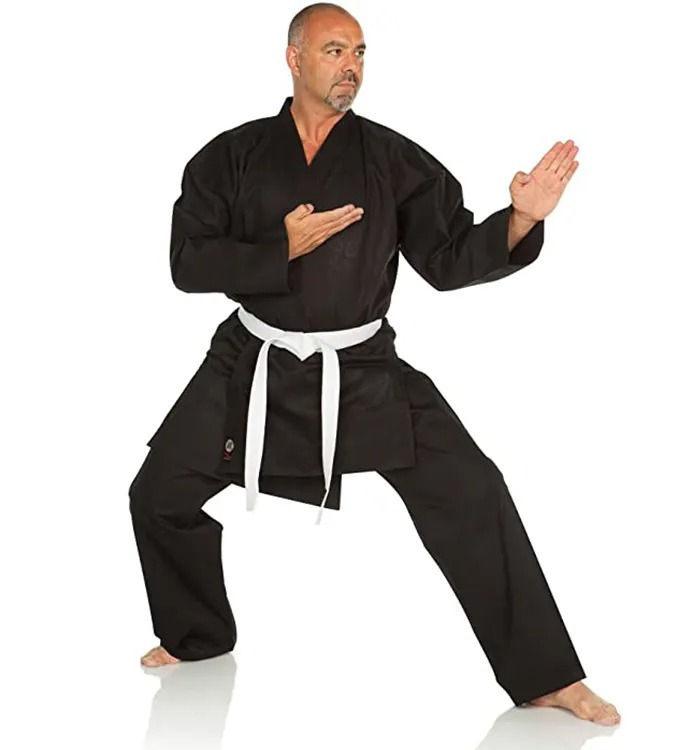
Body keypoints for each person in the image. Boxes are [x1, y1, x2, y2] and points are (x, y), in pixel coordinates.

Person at [129, 2, 620, 726]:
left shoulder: (392, 160)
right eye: (335, 50)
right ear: (294, 58)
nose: (351, 65)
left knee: (474, 490)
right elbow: (187, 263)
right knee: (158, 496)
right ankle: (196, 635)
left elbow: (449, 259)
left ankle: (548, 677)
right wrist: (279, 249)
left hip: (361, 369)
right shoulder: (229, 157)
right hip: (251, 363)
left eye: (360, 52)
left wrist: (520, 220)